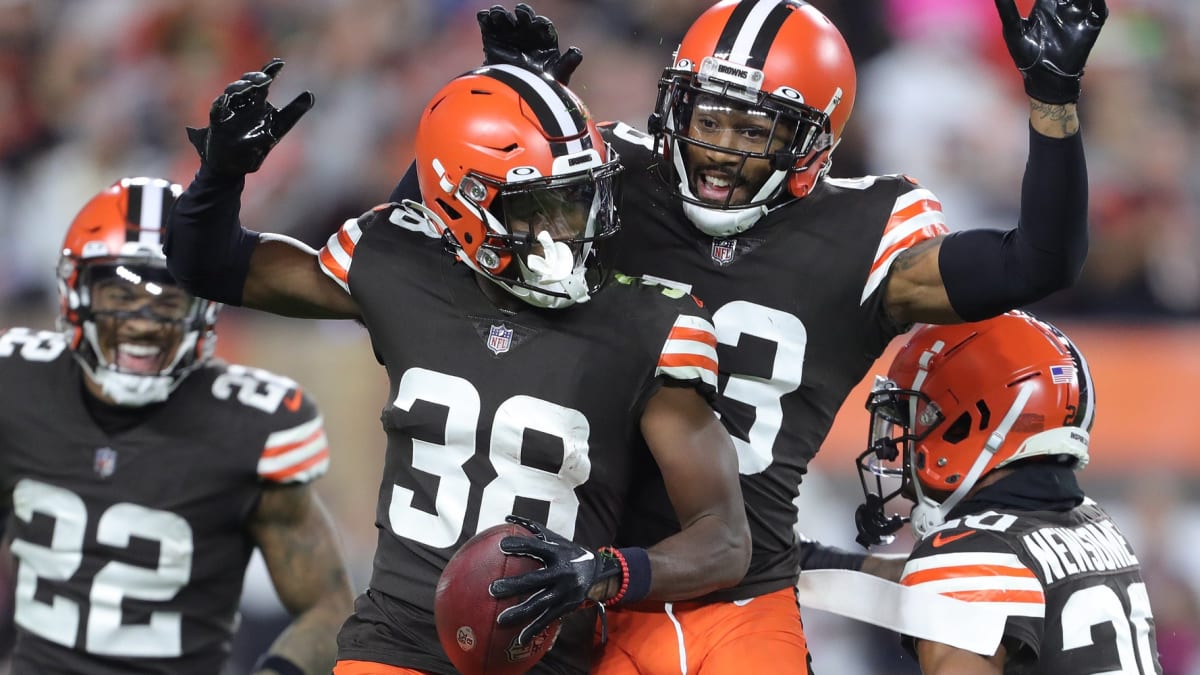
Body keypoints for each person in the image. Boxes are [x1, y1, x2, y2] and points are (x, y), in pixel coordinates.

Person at [385, 1, 1107, 672]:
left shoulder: (866, 232)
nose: (720, 150)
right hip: (589, 586)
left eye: (753, 129)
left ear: (812, 138)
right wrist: (503, 97)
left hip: (742, 590)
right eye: (707, 116)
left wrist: (1052, 105)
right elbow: (436, 230)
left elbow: (1037, 260)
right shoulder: (614, 179)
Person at [163, 59, 751, 674]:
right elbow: (208, 267)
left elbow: (725, 539)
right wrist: (221, 175)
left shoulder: (647, 321)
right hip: (394, 646)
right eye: (537, 207)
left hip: (548, 658)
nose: (567, 229)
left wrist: (605, 572)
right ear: (463, 204)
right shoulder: (399, 262)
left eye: (577, 198)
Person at [0, 177, 355, 675]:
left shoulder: (249, 427)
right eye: (121, 297)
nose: (143, 322)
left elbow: (328, 606)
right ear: (74, 292)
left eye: (168, 302)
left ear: (204, 309)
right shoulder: (17, 387)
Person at [852, 311, 1162, 674]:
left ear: (969, 421)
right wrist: (803, 561)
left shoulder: (968, 553)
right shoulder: (1096, 527)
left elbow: (966, 569)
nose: (907, 445)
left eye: (921, 419)